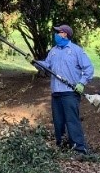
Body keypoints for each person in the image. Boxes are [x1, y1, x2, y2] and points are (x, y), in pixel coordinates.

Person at [33, 24, 94, 156]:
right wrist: (35, 62)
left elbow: (89, 69)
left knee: (72, 120)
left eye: (58, 32)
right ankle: (61, 146)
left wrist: (82, 83)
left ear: (65, 34)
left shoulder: (76, 51)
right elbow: (46, 66)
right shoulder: (53, 51)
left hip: (70, 93)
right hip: (56, 93)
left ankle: (79, 149)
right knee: (58, 121)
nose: (56, 35)